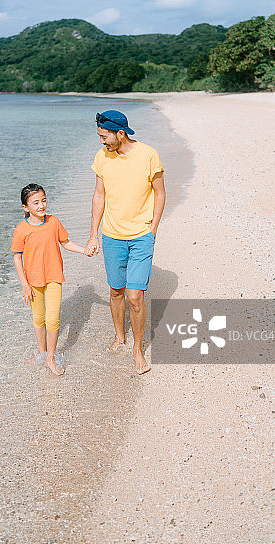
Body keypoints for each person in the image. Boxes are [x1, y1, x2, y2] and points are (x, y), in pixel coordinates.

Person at [85, 110, 166, 375]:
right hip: (111, 237)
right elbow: (99, 196)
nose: (101, 141)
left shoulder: (148, 155)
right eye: (99, 136)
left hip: (141, 237)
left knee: (135, 296)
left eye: (104, 136)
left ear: (120, 133)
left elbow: (160, 193)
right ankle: (120, 336)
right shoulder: (102, 157)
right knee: (116, 290)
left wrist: (153, 228)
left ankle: (138, 349)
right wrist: (93, 234)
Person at [11, 183, 89, 376]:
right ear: (25, 207)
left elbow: (66, 242)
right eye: (35, 203)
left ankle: (50, 358)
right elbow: (17, 257)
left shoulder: (54, 222)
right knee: (38, 318)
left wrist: (84, 250)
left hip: (54, 277)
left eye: (43, 200)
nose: (41, 206)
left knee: (52, 319)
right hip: (32, 282)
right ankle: (41, 353)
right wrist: (24, 284)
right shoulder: (21, 229)